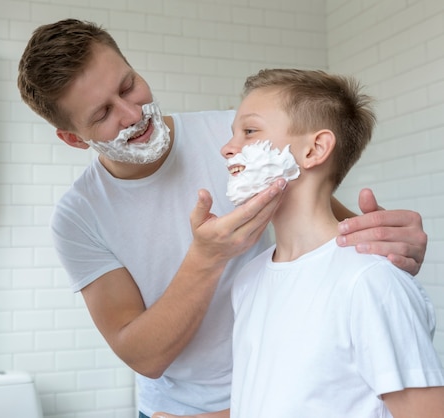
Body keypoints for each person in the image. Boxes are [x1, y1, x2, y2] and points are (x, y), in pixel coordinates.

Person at [16, 19, 429, 417]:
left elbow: (327, 228)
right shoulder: (79, 217)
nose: (132, 113)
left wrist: (386, 249)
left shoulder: (236, 135)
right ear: (73, 138)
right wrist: (207, 258)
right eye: (102, 114)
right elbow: (144, 355)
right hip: (189, 405)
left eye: (129, 85)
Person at [155, 69, 444, 418]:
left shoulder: (368, 281)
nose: (227, 148)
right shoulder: (249, 279)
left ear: (314, 150)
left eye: (249, 131)